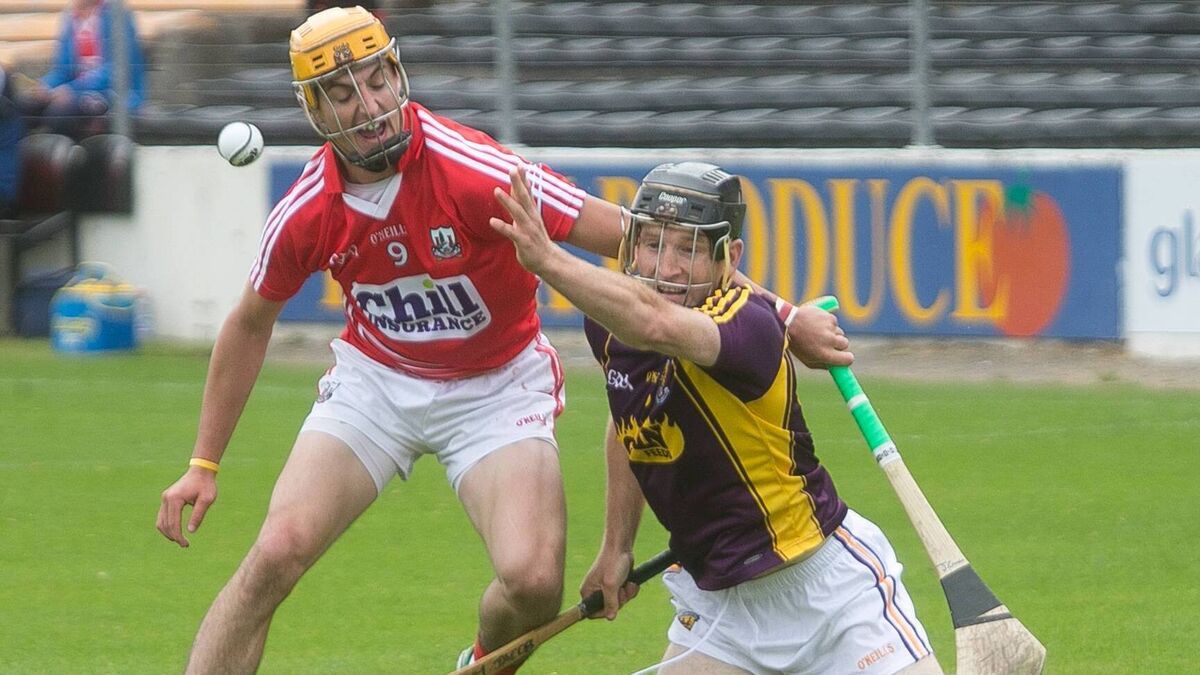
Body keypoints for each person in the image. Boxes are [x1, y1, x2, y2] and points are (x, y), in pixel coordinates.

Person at [155, 6, 849, 673]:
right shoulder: (308, 208)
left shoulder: (474, 170)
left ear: (397, 73)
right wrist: (203, 463)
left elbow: (648, 242)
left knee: (534, 581)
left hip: (497, 386)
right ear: (314, 110)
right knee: (276, 551)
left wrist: (783, 317)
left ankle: (486, 662)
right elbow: (249, 322)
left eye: (377, 80)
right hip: (376, 381)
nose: (369, 106)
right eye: (342, 94)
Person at [491, 161, 941, 674]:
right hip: (720, 613)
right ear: (631, 245)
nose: (667, 268)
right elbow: (631, 421)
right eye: (653, 244)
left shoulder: (747, 325)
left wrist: (548, 260)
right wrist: (616, 547)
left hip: (830, 597)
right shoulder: (612, 328)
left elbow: (657, 325)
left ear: (730, 257)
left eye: (689, 249)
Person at [18, 0, 145, 139]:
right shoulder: (70, 18)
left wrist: (72, 88)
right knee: (25, 106)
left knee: (60, 112)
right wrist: (45, 85)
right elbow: (63, 70)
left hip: (112, 92)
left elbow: (117, 69)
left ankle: (68, 150)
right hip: (77, 89)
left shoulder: (116, 14)